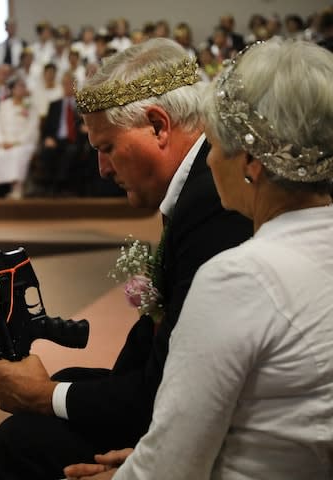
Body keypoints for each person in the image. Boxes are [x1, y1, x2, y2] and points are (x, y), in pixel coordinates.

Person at [65, 38, 333, 480]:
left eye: (215, 141)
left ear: (250, 159)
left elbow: (173, 465)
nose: (207, 157)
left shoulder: (237, 277)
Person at [0, 38, 252, 479]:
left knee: (18, 444)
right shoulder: (198, 185)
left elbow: (177, 386)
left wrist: (43, 395)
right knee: (70, 376)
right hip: (179, 392)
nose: (102, 170)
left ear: (158, 126)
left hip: (214, 421)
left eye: (106, 148)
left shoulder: (213, 202)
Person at [36, 70, 88, 196]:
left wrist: (84, 126)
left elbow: (87, 124)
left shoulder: (81, 104)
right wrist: (48, 138)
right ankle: (50, 186)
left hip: (75, 139)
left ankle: (60, 185)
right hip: (56, 139)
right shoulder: (55, 105)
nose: (67, 86)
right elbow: (47, 128)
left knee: (71, 151)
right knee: (48, 150)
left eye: (70, 84)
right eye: (65, 84)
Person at [0, 75, 40, 199]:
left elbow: (32, 128)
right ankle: (8, 187)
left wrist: (16, 142)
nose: (22, 89)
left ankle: (19, 188)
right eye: (19, 87)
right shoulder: (4, 105)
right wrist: (1, 141)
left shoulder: (30, 106)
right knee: (0, 154)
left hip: (24, 142)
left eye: (23, 86)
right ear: (12, 90)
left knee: (18, 153)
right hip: (6, 142)